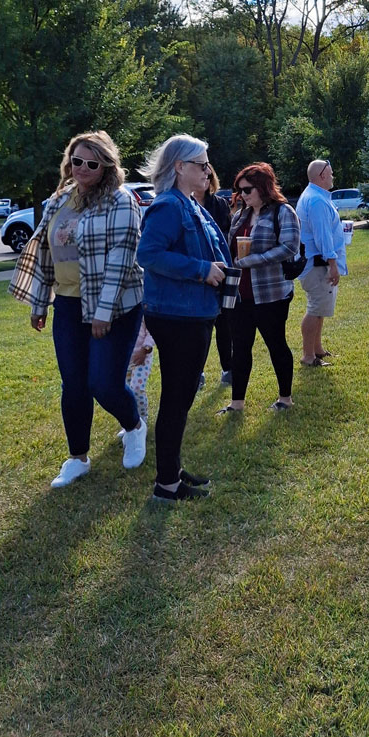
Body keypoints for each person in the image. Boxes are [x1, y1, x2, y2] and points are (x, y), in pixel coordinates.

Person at [9, 131, 146, 487]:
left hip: (115, 306)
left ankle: (134, 425)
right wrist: (40, 303)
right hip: (68, 304)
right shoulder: (58, 200)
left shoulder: (120, 200)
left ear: (106, 166)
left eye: (91, 163)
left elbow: (121, 258)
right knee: (73, 385)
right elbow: (45, 255)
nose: (81, 168)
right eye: (76, 160)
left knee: (104, 382)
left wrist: (103, 311)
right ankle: (77, 457)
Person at [137, 134, 231, 503]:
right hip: (177, 315)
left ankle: (171, 471)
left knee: (182, 394)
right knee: (177, 396)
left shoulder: (192, 205)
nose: (208, 171)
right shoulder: (169, 206)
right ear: (180, 167)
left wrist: (219, 267)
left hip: (192, 312)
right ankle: (166, 485)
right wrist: (201, 269)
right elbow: (149, 254)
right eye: (202, 164)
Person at [217, 162, 300, 415]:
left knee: (276, 344)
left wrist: (252, 260)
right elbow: (231, 247)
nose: (242, 194)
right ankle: (236, 403)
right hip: (239, 294)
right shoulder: (241, 214)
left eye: (247, 189)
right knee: (240, 348)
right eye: (240, 190)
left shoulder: (282, 211)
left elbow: (289, 247)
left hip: (271, 293)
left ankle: (285, 398)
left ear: (263, 187)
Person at [296, 159, 347, 367]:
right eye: (331, 173)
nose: (333, 177)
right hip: (318, 265)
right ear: (322, 175)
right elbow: (323, 237)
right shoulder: (316, 201)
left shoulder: (315, 196)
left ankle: (317, 349)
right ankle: (308, 356)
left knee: (320, 308)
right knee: (315, 309)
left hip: (316, 264)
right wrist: (333, 264)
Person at [193, 166, 233, 387]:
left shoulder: (219, 204)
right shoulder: (183, 204)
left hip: (221, 271)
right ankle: (196, 373)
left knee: (224, 324)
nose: (206, 179)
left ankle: (228, 369)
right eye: (202, 174)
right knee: (200, 327)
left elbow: (225, 236)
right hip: (197, 275)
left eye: (209, 175)